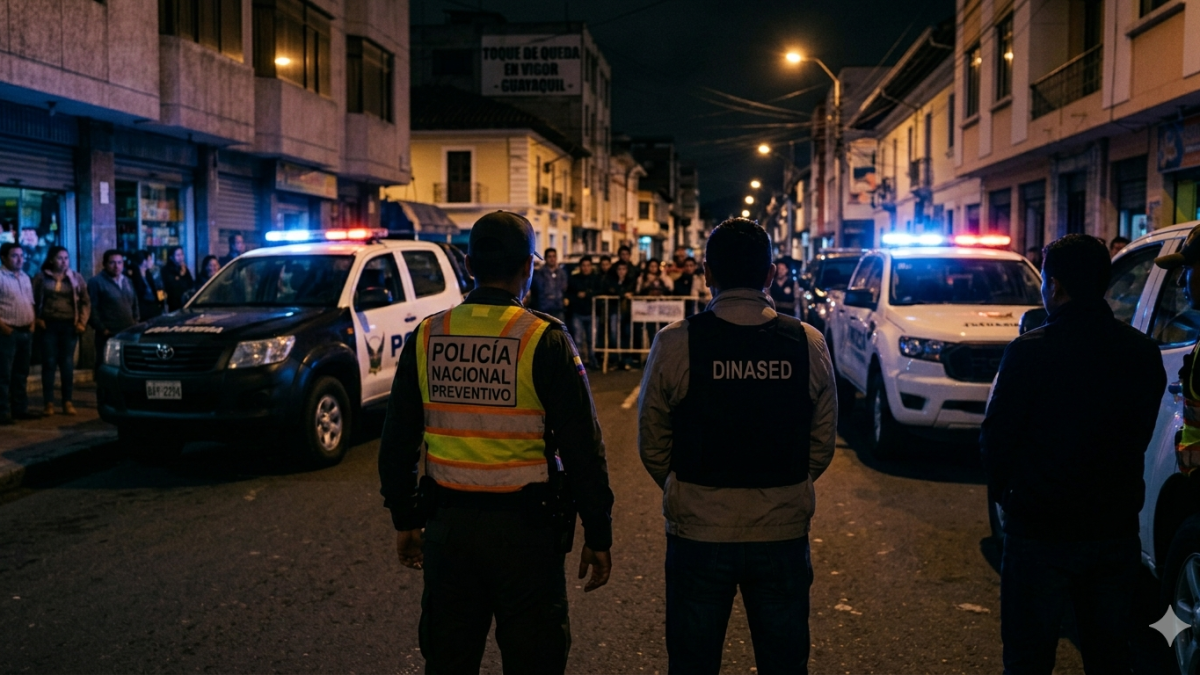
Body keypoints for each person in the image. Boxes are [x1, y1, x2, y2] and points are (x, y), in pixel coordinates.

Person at [378, 211, 614, 675]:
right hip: (527, 536)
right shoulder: (544, 338)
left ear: (468, 265)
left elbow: (398, 440)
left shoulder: (428, 335)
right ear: (528, 267)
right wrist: (598, 532)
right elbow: (583, 449)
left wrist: (405, 518)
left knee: (449, 660)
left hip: (449, 530)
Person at [638, 218, 837, 674]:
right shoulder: (807, 341)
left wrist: (686, 490)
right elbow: (822, 441)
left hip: (699, 531)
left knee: (692, 663)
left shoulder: (676, 341)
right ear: (770, 274)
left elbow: (653, 442)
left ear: (708, 272)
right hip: (782, 530)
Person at [981, 233, 1165, 674]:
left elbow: (997, 439)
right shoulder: (1141, 352)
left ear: (1056, 286)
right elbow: (1139, 433)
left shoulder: (1030, 352)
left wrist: (1011, 496)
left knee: (1028, 658)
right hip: (1113, 527)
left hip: (1040, 529)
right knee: (1109, 655)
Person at [32, 246, 90, 416]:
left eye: (66, 258)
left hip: (69, 326)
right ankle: (48, 403)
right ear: (51, 260)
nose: (64, 262)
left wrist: (82, 322)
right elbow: (32, 299)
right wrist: (37, 318)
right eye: (59, 258)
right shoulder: (41, 277)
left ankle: (67, 401)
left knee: (67, 364)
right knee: (49, 363)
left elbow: (85, 301)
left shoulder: (75, 277)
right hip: (48, 325)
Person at [0, 243, 39, 424]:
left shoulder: (25, 277)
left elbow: (30, 302)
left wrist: (32, 322)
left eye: (21, 256)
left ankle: (20, 408)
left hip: (25, 331)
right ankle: (3, 412)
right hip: (7, 332)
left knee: (21, 373)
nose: (19, 259)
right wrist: (3, 327)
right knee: (4, 374)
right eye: (14, 256)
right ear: (4, 258)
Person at [88, 250, 139, 369]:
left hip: (128, 330)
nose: (116, 266)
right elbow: (92, 308)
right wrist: (102, 329)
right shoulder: (96, 282)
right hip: (108, 332)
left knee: (128, 364)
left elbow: (134, 303)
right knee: (106, 364)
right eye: (112, 263)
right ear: (104, 264)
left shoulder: (127, 281)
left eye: (119, 262)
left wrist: (136, 321)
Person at [567, 256, 601, 369]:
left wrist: (587, 294)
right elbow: (570, 293)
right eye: (583, 266)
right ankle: (579, 363)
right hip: (578, 312)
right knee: (578, 340)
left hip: (592, 313)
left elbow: (599, 291)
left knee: (592, 340)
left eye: (588, 265)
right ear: (580, 267)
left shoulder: (596, 279)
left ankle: (593, 361)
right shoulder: (574, 279)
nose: (586, 268)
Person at [604, 260, 638, 370]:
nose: (621, 271)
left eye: (624, 269)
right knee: (614, 335)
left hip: (627, 312)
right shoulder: (612, 280)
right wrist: (623, 294)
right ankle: (615, 360)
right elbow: (611, 290)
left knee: (626, 335)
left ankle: (626, 360)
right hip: (615, 310)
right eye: (619, 269)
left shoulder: (630, 281)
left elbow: (634, 291)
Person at [528, 247, 569, 321]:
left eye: (554, 256)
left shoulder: (562, 273)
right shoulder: (540, 273)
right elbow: (539, 290)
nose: (552, 259)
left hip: (558, 309)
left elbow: (564, 288)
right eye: (549, 257)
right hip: (544, 309)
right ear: (545, 258)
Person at [128, 250, 164, 321]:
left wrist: (161, 302)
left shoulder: (150, 273)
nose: (152, 262)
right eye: (149, 259)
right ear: (143, 261)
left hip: (154, 306)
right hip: (143, 309)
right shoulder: (134, 276)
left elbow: (159, 288)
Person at [161, 246, 193, 312]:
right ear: (171, 257)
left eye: (182, 254)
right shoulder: (166, 270)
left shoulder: (184, 268)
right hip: (174, 303)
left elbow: (191, 283)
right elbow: (171, 286)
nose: (181, 257)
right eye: (178, 255)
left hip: (186, 301)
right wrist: (180, 275)